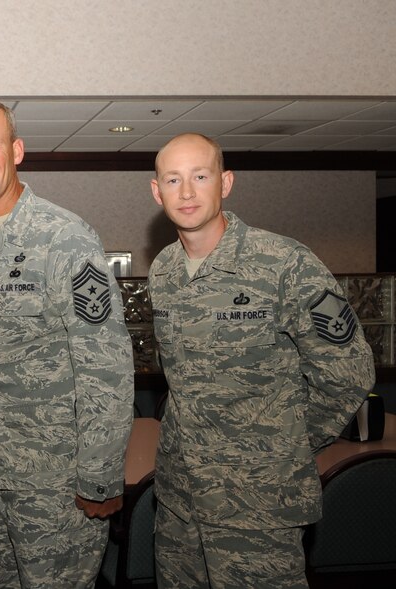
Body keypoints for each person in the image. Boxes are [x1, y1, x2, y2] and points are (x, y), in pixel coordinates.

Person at [148, 133, 376, 589]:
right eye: (173, 179)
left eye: (200, 176)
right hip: (180, 498)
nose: (187, 192)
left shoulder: (283, 262)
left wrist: (282, 443)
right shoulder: (164, 270)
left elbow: (349, 372)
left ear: (225, 183)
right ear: (157, 192)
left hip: (258, 501)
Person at [0, 100, 134, 588]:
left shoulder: (64, 237)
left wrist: (100, 475)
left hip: (55, 484)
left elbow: (106, 364)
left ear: (17, 151)